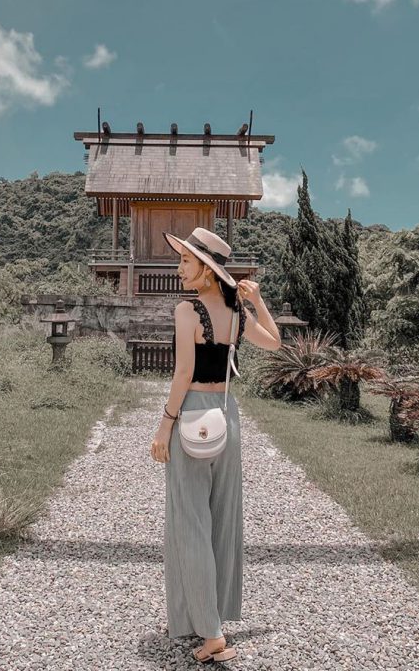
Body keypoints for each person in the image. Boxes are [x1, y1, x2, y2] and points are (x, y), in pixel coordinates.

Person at [150, 227, 283, 664]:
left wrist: (164, 427)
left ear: (207, 271)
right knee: (223, 518)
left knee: (190, 522)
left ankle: (210, 632)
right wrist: (257, 300)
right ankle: (214, 617)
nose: (179, 267)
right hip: (226, 415)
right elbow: (275, 343)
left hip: (191, 414)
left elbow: (183, 375)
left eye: (187, 261)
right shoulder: (238, 315)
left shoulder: (186, 311)